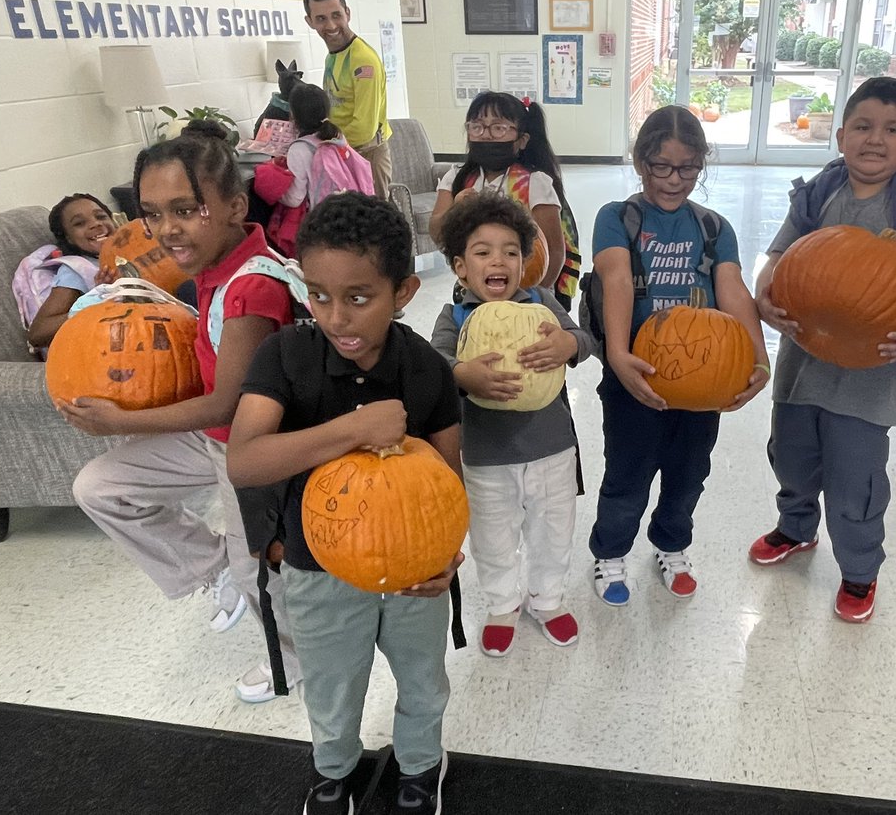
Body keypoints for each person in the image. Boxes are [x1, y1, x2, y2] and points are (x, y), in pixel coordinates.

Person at [227, 192, 462, 815]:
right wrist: (353, 430)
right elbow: (245, 460)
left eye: (359, 298)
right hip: (317, 567)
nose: (337, 316)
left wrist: (448, 556)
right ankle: (333, 773)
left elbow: (449, 479)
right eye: (319, 295)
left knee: (422, 681)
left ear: (404, 291)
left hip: (415, 574)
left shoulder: (426, 370)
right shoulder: (284, 357)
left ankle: (420, 767)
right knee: (333, 686)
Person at [60, 121, 301, 704]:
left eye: (186, 209)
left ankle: (289, 659)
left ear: (234, 206)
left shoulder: (253, 287)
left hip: (249, 450)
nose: (168, 229)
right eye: (152, 213)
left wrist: (117, 421)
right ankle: (212, 566)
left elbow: (227, 402)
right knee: (100, 486)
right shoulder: (208, 272)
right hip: (212, 438)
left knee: (262, 574)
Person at [748, 77, 896, 623]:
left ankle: (859, 570)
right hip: (804, 365)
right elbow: (778, 254)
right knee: (793, 458)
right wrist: (764, 292)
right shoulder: (819, 193)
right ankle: (796, 527)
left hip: (870, 380)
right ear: (843, 133)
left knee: (856, 483)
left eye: (892, 129)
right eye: (864, 126)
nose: (876, 139)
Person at [589, 105, 770, 606]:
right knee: (628, 471)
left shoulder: (714, 227)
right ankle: (610, 552)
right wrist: (620, 357)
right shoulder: (618, 218)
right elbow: (617, 279)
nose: (673, 179)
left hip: (702, 378)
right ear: (641, 162)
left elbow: (732, 290)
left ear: (701, 165)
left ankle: (672, 545)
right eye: (660, 167)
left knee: (689, 473)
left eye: (687, 168)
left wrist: (759, 357)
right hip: (636, 375)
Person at [430, 194, 595, 656]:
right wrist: (461, 374)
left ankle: (547, 599)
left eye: (510, 251)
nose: (497, 260)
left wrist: (567, 344)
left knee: (553, 530)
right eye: (482, 252)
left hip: (552, 449)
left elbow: (584, 340)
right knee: (492, 536)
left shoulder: (542, 302)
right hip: (485, 455)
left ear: (525, 262)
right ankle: (503, 603)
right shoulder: (454, 316)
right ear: (461, 267)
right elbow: (433, 369)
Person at [429, 91, 581, 311]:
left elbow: (555, 251)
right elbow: (436, 232)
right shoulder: (456, 178)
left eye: (498, 128)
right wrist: (455, 211)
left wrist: (536, 296)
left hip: (527, 293)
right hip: (475, 291)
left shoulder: (535, 183)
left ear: (522, 140)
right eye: (477, 127)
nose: (486, 135)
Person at [259, 82, 372, 256]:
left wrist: (274, 183)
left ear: (293, 116)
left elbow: (295, 199)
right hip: (349, 214)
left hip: (321, 224)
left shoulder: (300, 148)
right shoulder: (336, 136)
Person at [303, 0, 391, 196]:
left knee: (374, 226)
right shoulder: (332, 57)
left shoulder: (363, 60)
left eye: (336, 15)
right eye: (321, 19)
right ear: (310, 22)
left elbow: (363, 129)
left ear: (347, 13)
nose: (331, 26)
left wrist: (320, 144)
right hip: (342, 152)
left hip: (366, 155)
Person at [22, 193, 117, 350]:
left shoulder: (128, 255)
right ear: (69, 238)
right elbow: (38, 333)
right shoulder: (77, 269)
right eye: (79, 223)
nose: (96, 224)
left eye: (101, 216)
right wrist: (99, 298)